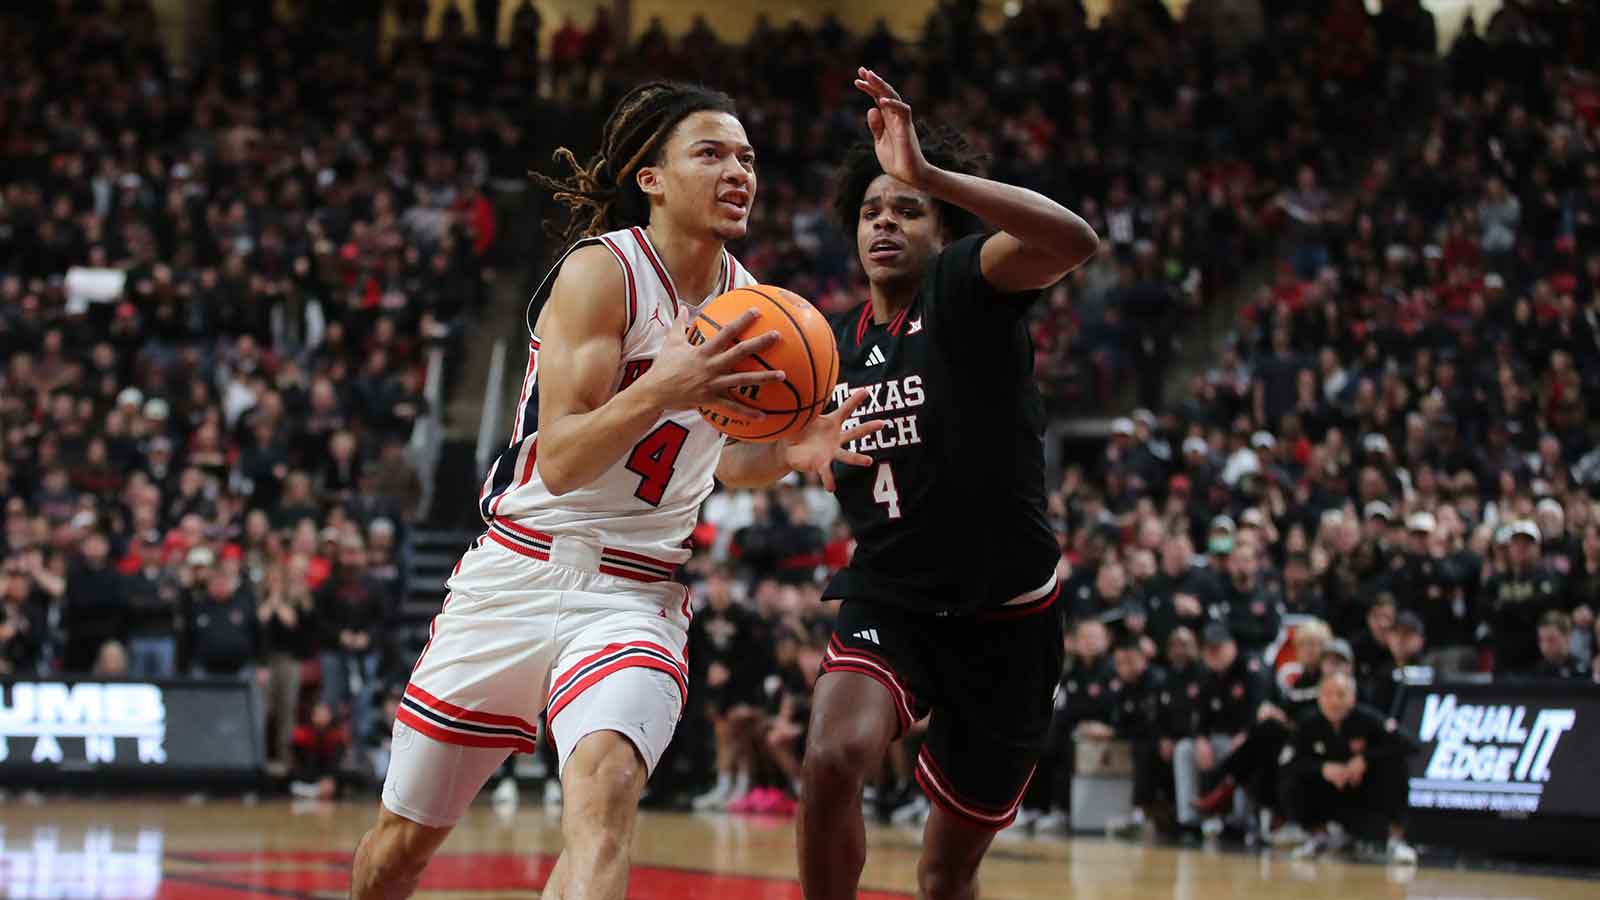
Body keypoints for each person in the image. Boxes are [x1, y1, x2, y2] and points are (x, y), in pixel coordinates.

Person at [350, 82, 877, 900]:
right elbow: (561, 460)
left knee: (603, 800)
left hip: (634, 595)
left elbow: (722, 463)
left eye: (746, 157)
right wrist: (662, 387)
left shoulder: (756, 309)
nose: (738, 172)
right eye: (710, 154)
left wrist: (787, 448)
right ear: (651, 177)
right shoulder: (602, 274)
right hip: (514, 576)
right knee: (399, 852)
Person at [797, 68, 1098, 900]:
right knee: (830, 759)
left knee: (943, 877)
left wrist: (928, 169)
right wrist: (788, 450)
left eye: (907, 208)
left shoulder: (965, 287)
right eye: (871, 211)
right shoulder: (823, 345)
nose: (885, 222)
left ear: (943, 228)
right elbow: (747, 457)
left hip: (1009, 621)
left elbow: (1075, 241)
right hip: (893, 599)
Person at [1283, 672, 1419, 865]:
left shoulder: (1368, 718)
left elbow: (1411, 744)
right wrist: (1323, 768)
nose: (1334, 701)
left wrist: (1365, 759)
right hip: (1328, 793)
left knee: (1397, 764)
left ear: (1352, 698)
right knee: (1294, 779)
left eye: (1341, 694)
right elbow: (1287, 763)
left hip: (1364, 795)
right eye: (1328, 694)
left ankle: (1396, 840)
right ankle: (1318, 837)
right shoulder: (1307, 723)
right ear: (1319, 697)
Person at [1173, 623, 1270, 836]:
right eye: (1208, 649)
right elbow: (1198, 715)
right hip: (1216, 740)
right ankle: (1189, 819)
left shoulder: (1251, 669)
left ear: (1232, 646)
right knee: (1184, 749)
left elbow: (1260, 709)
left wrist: (1245, 735)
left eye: (1218, 648)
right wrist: (1200, 739)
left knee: (1243, 753)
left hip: (1246, 739)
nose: (1213, 654)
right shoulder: (1204, 674)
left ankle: (1239, 820)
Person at [1525, 611, 1590, 680]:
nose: (1545, 646)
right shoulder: (1535, 674)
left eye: (1551, 640)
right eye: (1541, 640)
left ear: (1568, 636)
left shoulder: (1583, 670)